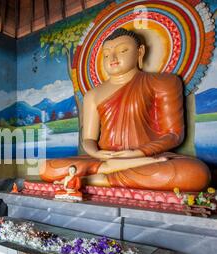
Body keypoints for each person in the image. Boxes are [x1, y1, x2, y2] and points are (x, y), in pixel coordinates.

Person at [40, 28, 210, 192]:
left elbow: (173, 134)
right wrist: (98, 154)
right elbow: (89, 139)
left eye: (123, 50)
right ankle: (108, 169)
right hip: (105, 158)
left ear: (140, 52)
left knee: (197, 173)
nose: (112, 57)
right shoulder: (93, 95)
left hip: (148, 158)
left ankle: (97, 178)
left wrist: (138, 153)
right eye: (106, 54)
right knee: (46, 168)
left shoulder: (164, 82)